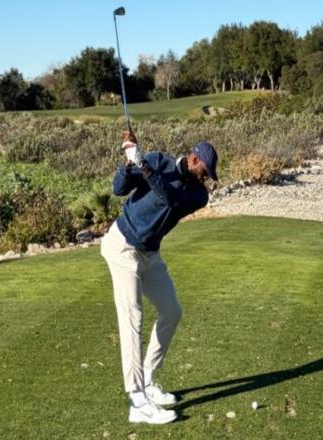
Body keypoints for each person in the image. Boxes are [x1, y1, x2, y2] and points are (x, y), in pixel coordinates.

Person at [100, 128, 218, 424]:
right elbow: (118, 189)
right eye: (205, 171)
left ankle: (149, 376)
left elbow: (170, 198)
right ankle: (137, 400)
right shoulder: (158, 161)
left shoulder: (198, 195)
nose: (206, 178)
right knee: (133, 316)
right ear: (193, 159)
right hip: (122, 246)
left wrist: (142, 164)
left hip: (150, 254)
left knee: (171, 311)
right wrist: (128, 162)